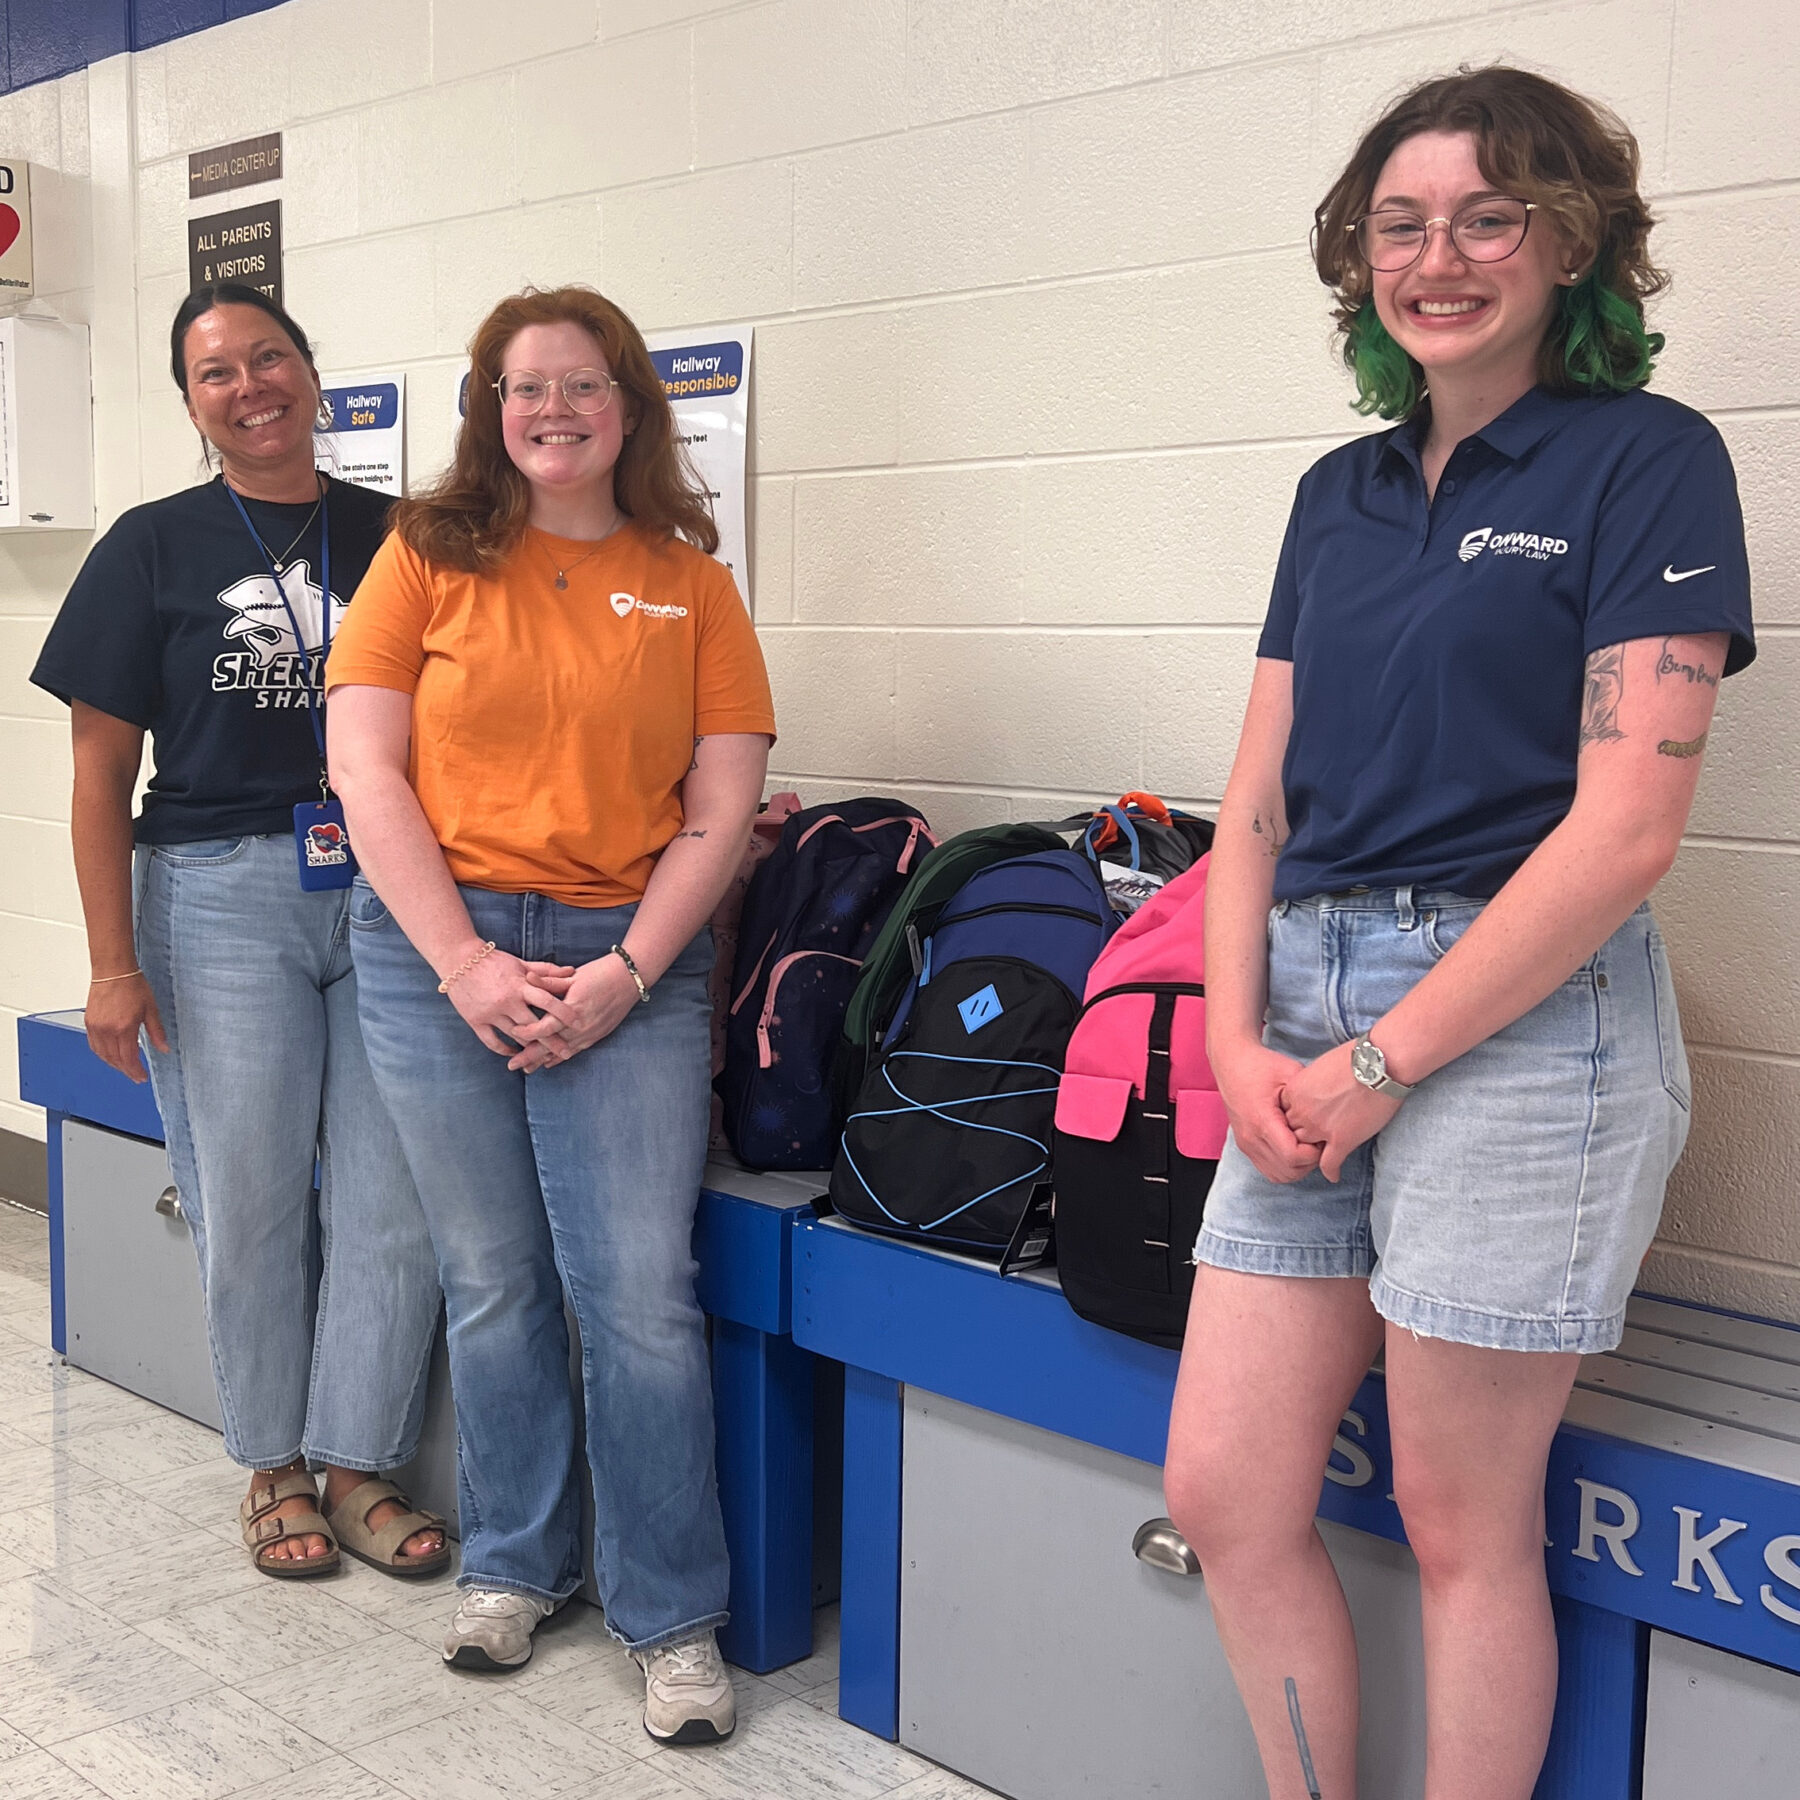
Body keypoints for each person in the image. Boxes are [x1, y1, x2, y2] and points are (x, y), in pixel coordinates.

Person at [1162, 67, 1754, 1800]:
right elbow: (1256, 794)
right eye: (1401, 224)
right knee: (1223, 1487)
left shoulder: (1648, 461)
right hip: (1299, 1004)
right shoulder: (1335, 495)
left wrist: (1383, 1058)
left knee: (1457, 1518)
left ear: (1572, 243)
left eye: (1491, 216)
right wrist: (1229, 1028)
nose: (1442, 257)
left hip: (1518, 1018)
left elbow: (1629, 824)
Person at [325, 286, 775, 1744]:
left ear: (632, 407)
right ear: (491, 411)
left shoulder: (692, 582)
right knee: (495, 1276)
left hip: (623, 961)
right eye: (526, 389)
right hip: (432, 954)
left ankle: (672, 1617)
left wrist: (630, 976)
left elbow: (722, 810)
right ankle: (518, 1563)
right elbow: (366, 769)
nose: (554, 410)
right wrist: (461, 960)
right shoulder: (425, 556)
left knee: (636, 1298)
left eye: (584, 385)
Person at [31, 285, 448, 1583]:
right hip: (214, 892)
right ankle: (271, 1460)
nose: (250, 384)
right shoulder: (149, 549)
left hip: (387, 888)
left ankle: (357, 1459)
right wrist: (111, 962)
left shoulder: (404, 537)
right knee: (251, 1193)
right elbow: (99, 777)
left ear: (314, 375)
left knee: (397, 1192)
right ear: (193, 404)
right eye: (217, 372)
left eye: (271, 357)